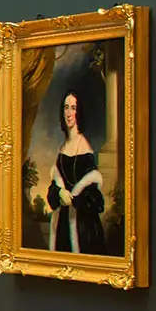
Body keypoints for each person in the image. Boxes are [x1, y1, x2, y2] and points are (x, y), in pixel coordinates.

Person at [44, 90, 106, 253]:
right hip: (63, 222)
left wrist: (74, 199)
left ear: (79, 112)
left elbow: (94, 198)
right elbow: (53, 187)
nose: (69, 113)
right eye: (66, 107)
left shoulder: (84, 148)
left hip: (83, 227)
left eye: (73, 108)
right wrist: (60, 192)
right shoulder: (63, 147)